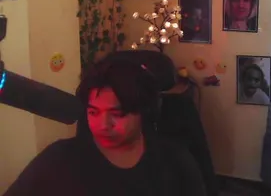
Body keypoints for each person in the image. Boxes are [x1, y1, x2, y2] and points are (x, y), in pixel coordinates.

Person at [4, 54, 207, 195]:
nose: (103, 125)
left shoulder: (175, 163)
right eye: (93, 112)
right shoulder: (58, 158)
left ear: (144, 112)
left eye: (117, 114)